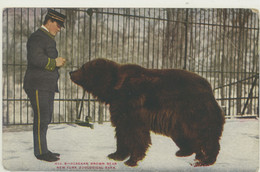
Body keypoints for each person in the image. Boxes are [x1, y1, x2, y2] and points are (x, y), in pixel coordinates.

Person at [23, 8, 66, 162]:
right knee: (41, 119)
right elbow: (36, 59)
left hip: (45, 85)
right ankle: (40, 153)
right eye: (58, 24)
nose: (59, 28)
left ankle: (43, 149)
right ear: (49, 21)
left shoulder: (46, 38)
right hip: (37, 84)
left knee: (45, 118)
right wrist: (55, 62)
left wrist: (56, 64)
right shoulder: (37, 37)